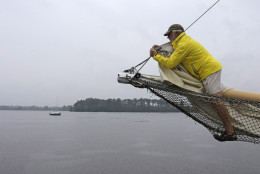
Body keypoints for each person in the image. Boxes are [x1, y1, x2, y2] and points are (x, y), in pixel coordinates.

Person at [150, 24, 237, 141]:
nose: (167, 37)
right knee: (215, 100)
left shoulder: (184, 44)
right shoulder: (182, 42)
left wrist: (155, 56)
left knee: (216, 100)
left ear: (176, 33)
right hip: (206, 72)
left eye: (169, 34)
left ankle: (230, 132)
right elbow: (173, 49)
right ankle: (229, 128)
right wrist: (161, 48)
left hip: (209, 71)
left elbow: (171, 63)